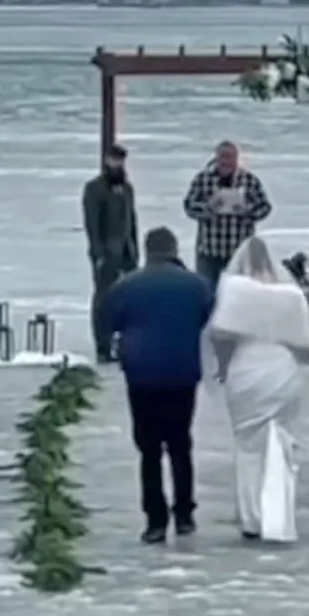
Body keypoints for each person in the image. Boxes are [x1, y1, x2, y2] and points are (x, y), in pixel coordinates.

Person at [207, 237, 309, 541]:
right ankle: (278, 516)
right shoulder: (291, 296)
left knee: (248, 446)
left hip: (246, 371)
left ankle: (251, 518)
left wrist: (221, 371)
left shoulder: (234, 291)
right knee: (281, 443)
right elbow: (305, 346)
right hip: (281, 371)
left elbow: (220, 335)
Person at [104, 226, 214, 544]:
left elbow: (108, 321)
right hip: (182, 373)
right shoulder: (197, 285)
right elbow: (207, 320)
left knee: (149, 449)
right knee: (180, 444)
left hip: (142, 375)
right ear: (174, 249)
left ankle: (155, 520)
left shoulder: (126, 286)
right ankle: (184, 515)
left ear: (147, 250)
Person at [182, 140, 272, 291]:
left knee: (239, 294)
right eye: (222, 157)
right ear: (216, 157)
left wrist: (247, 211)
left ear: (237, 159)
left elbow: (265, 208)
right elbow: (188, 206)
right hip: (209, 251)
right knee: (208, 293)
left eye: (229, 157)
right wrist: (208, 208)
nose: (226, 161)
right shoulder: (203, 180)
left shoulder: (249, 181)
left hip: (240, 253)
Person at [82, 144, 139, 363]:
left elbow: (132, 220)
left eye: (120, 160)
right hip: (105, 253)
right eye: (114, 159)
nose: (117, 164)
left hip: (127, 253)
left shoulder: (126, 188)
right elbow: (92, 223)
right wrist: (98, 253)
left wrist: (134, 249)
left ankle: (123, 343)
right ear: (106, 160)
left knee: (128, 300)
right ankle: (102, 346)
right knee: (104, 299)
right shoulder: (94, 189)